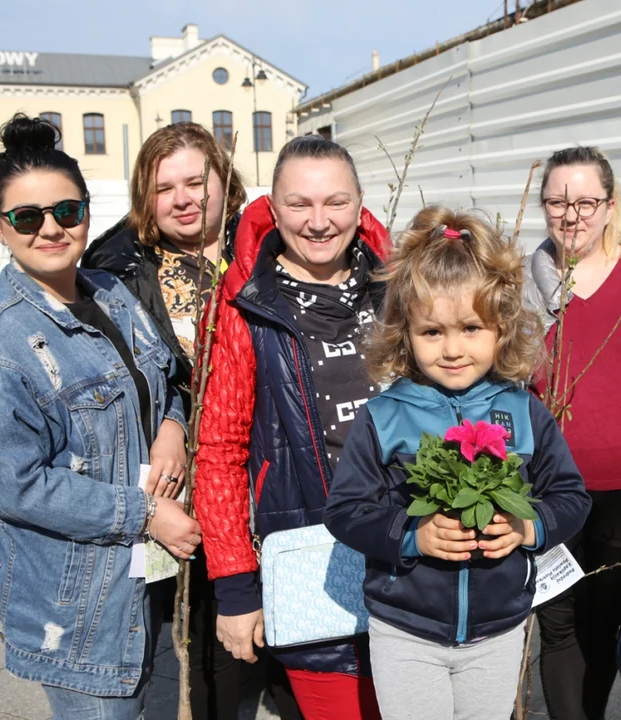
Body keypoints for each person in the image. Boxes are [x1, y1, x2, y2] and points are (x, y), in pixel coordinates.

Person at [0, 114, 201, 719]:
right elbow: (16, 486)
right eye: (28, 217)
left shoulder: (112, 291)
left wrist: (172, 429)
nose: (50, 228)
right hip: (79, 605)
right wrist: (147, 512)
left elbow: (163, 384)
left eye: (67, 211)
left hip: (146, 581)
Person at [324, 206, 592, 720]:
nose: (452, 349)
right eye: (432, 332)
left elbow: (571, 497)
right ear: (404, 332)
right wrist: (412, 533)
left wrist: (528, 525)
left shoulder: (523, 410)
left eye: (471, 328)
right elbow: (346, 510)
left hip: (498, 629)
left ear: (501, 328)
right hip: (406, 628)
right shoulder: (384, 416)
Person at [82, 122, 301, 720]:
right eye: (164, 187)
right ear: (145, 199)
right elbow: (121, 379)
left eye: (195, 181)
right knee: (206, 638)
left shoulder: (268, 246)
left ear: (223, 182)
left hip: (276, 463)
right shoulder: (115, 271)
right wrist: (173, 422)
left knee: (295, 626)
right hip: (187, 480)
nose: (182, 198)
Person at [194, 135, 391, 719]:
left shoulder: (400, 290)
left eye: (335, 202)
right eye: (299, 204)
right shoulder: (242, 305)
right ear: (272, 209)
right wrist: (235, 588)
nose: (319, 221)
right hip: (308, 553)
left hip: (407, 552)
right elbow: (220, 450)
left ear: (360, 205)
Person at [523, 146, 621, 720]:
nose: (572, 214)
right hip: (544, 487)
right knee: (557, 627)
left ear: (610, 206)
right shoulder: (521, 287)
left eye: (586, 201)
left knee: (603, 625)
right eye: (557, 201)